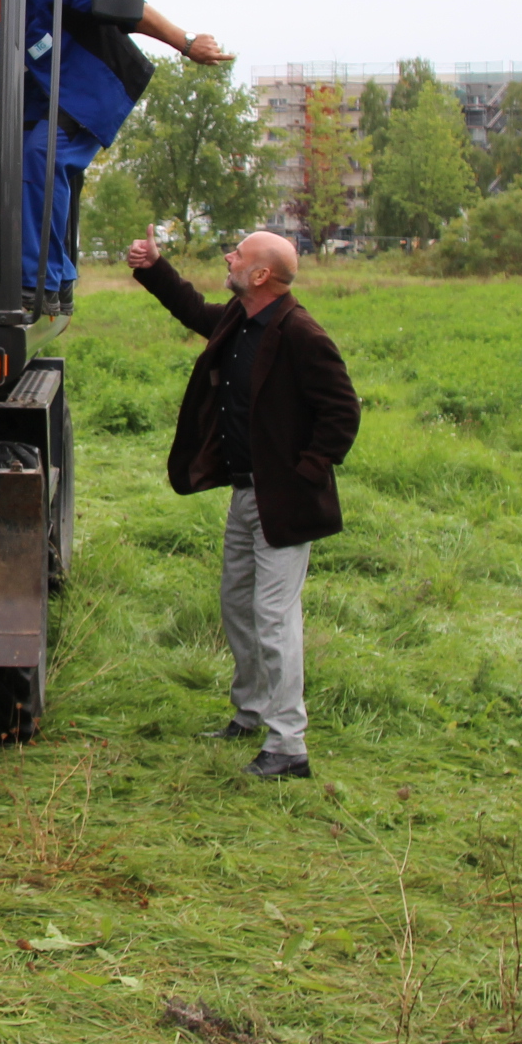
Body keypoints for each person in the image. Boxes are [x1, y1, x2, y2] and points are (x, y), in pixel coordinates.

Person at [124, 226, 360, 779]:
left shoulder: (301, 333)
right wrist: (154, 266)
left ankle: (288, 745)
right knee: (237, 605)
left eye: (238, 253)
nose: (228, 257)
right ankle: (251, 712)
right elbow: (193, 310)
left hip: (285, 502)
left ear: (261, 275)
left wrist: (304, 474)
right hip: (246, 493)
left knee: (274, 617)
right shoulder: (240, 318)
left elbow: (342, 411)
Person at [0, 0, 227, 306]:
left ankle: (38, 284)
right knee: (15, 168)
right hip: (29, 95)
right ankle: (62, 277)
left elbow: (123, 5)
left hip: (88, 86)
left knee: (40, 156)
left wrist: (185, 42)